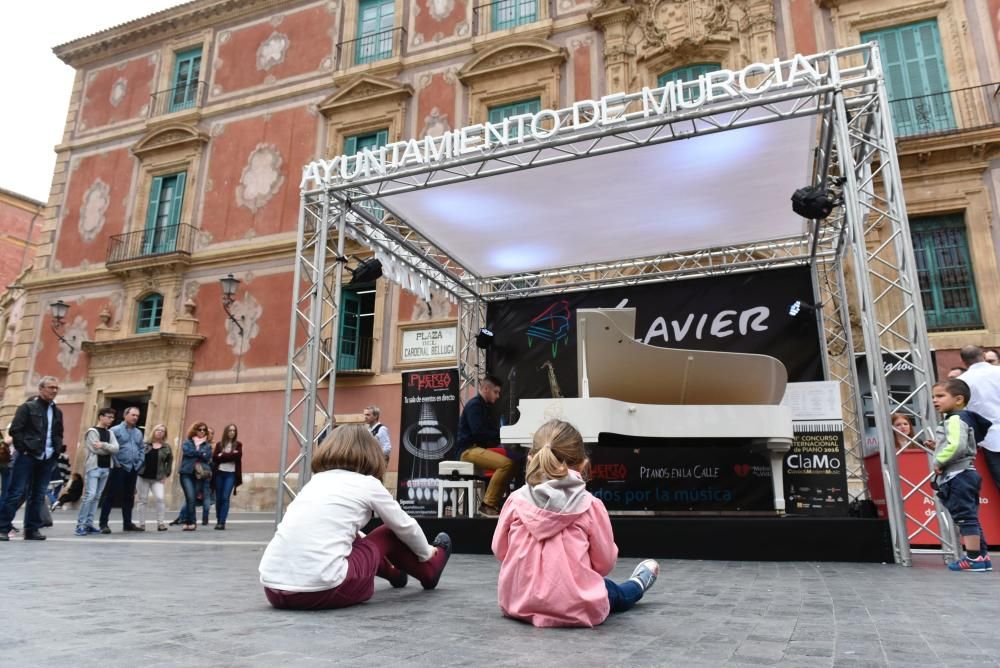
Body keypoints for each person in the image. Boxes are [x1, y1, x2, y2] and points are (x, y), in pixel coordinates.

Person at [258, 424, 452, 610]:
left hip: (274, 591)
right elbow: (405, 526)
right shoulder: (367, 484)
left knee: (355, 536)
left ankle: (394, 573)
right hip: (321, 592)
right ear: (371, 454)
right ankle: (430, 571)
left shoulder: (314, 482)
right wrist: (426, 552)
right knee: (387, 533)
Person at [491, 419, 660, 627]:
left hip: (519, 602)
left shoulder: (515, 501)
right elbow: (604, 564)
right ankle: (638, 584)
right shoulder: (590, 506)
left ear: (531, 459)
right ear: (583, 464)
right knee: (612, 591)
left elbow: (500, 551)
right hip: (576, 607)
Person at [926, 379, 992, 572]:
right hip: (966, 473)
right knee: (970, 516)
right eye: (933, 397)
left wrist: (939, 460)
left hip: (958, 474)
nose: (935, 401)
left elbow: (956, 445)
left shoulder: (955, 419)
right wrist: (937, 446)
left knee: (965, 517)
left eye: (940, 396)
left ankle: (974, 558)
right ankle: (981, 556)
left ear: (958, 399)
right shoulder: (963, 418)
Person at [0, 376, 64, 541]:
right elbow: (16, 430)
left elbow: (58, 433)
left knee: (38, 494)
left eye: (56, 388)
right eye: (51, 387)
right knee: (15, 492)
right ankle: (3, 528)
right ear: (41, 389)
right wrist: (25, 450)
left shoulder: (57, 412)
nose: (54, 391)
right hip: (27, 456)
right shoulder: (27, 408)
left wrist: (55, 451)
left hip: (47, 457)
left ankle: (31, 529)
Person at [456, 374, 512, 517]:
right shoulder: (475, 405)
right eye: (496, 392)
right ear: (486, 389)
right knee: (506, 464)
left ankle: (494, 503)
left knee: (514, 464)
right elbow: (479, 432)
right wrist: (502, 434)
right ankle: (488, 505)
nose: (498, 396)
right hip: (467, 451)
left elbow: (485, 432)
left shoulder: (482, 406)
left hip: (476, 449)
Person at [957, 345, 1000, 493]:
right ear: (983, 355)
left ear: (963, 362)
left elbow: (961, 414)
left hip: (989, 440)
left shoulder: (961, 381)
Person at [99, 406, 144, 533]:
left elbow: (142, 448)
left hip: (133, 468)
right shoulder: (115, 430)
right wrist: (116, 463)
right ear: (125, 415)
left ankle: (127, 523)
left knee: (129, 496)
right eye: (133, 415)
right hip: (118, 467)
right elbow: (110, 448)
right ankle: (103, 524)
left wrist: (140, 462)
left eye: (137, 416)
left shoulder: (138, 432)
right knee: (110, 495)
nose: (135, 417)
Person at [75, 408, 120, 536]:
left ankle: (89, 524)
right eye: (109, 417)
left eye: (113, 417)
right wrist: (108, 448)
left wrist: (104, 445)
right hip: (94, 467)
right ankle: (80, 525)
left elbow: (116, 448)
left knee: (97, 497)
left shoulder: (110, 433)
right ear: (101, 417)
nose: (111, 420)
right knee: (90, 495)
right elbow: (95, 450)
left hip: (106, 468)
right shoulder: (92, 432)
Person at [136, 424, 173, 532]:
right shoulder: (145, 444)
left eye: (162, 431)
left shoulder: (166, 447)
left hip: (158, 478)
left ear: (164, 434)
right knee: (142, 500)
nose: (160, 432)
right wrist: (137, 470)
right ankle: (142, 524)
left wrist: (166, 474)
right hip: (143, 476)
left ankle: (160, 523)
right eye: (158, 430)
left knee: (160, 498)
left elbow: (169, 462)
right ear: (154, 431)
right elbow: (138, 458)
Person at [179, 422, 212, 531]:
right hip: (186, 473)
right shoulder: (188, 442)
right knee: (190, 497)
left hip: (199, 475)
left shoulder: (207, 445)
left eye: (204, 430)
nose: (202, 431)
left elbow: (207, 456)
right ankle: (191, 521)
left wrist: (197, 453)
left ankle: (189, 522)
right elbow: (187, 451)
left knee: (192, 498)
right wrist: (200, 453)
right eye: (199, 429)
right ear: (195, 430)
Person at [212, 423, 242, 530]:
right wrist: (230, 455)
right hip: (219, 473)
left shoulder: (238, 444)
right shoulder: (219, 445)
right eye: (230, 430)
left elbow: (238, 456)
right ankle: (218, 519)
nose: (232, 432)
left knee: (225, 498)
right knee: (218, 498)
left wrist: (223, 455)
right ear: (226, 432)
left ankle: (222, 522)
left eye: (234, 430)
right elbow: (215, 458)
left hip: (231, 474)